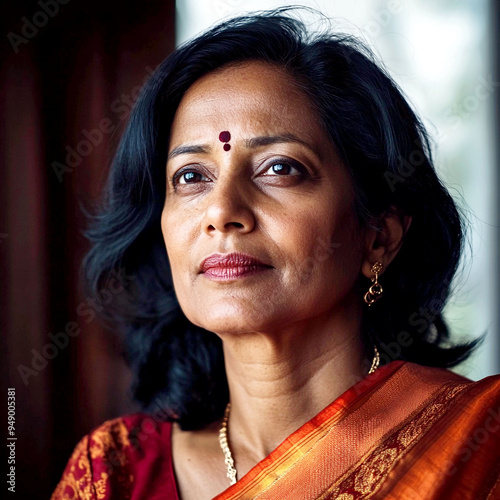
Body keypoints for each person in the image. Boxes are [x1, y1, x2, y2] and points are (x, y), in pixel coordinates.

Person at [51, 9, 500, 500]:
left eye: (279, 168)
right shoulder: (115, 473)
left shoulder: (478, 446)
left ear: (379, 237)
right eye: (191, 176)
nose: (221, 211)